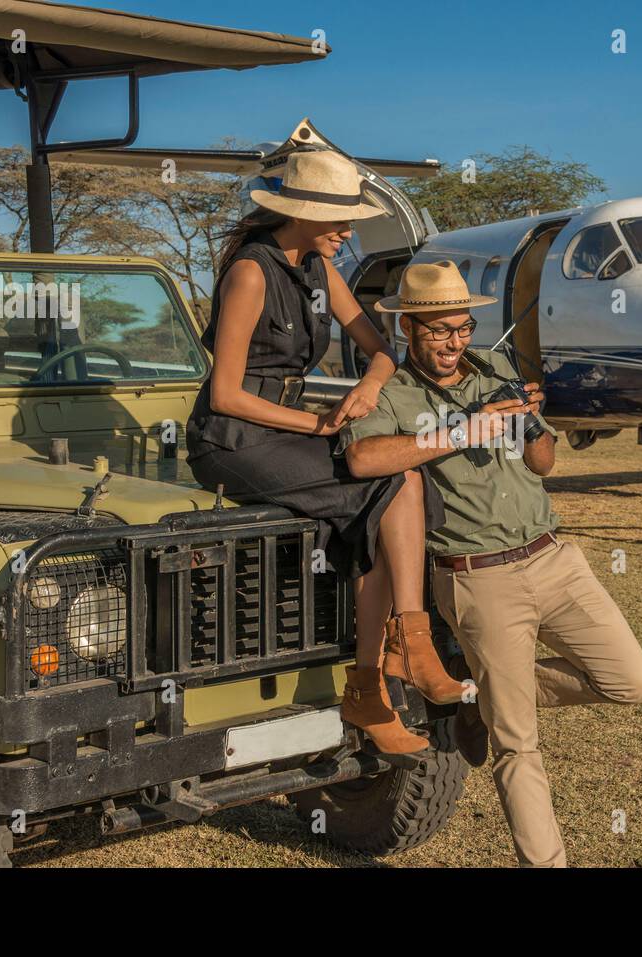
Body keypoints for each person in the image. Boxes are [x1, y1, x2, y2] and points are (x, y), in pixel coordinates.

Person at [337, 261, 642, 866]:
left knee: (631, 681)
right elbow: (363, 459)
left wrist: (531, 418)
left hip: (555, 559)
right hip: (479, 578)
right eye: (438, 331)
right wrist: (464, 430)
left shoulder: (499, 370)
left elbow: (543, 464)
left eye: (462, 329)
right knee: (518, 743)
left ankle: (475, 700)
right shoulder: (395, 393)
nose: (454, 343)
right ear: (408, 329)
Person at [186, 151, 468, 761]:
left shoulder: (321, 268)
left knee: (399, 481)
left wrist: (368, 385)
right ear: (302, 214)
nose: (349, 232)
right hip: (232, 438)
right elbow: (226, 394)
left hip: (298, 428)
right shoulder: (251, 274)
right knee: (386, 487)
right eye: (339, 221)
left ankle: (398, 656)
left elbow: (382, 347)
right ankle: (384, 671)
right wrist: (318, 421)